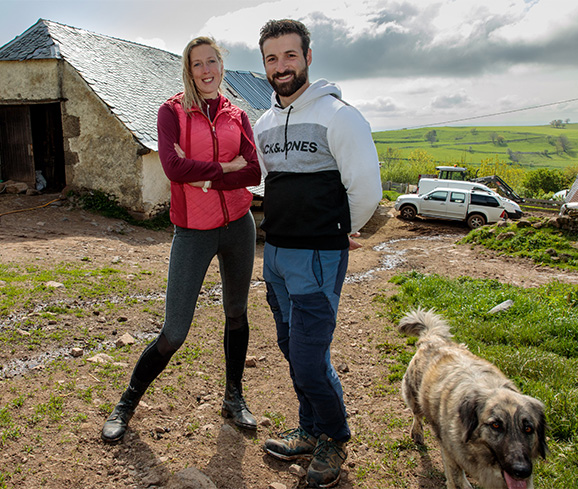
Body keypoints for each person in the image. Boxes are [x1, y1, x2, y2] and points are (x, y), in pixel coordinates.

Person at [101, 36, 261, 443]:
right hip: (193, 230)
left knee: (237, 314)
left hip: (240, 224)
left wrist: (206, 175)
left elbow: (254, 173)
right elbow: (172, 167)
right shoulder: (171, 111)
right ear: (188, 71)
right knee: (174, 331)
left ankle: (234, 397)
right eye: (197, 64)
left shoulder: (238, 115)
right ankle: (127, 402)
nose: (206, 71)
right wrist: (225, 166)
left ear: (222, 66)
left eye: (212, 62)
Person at [254, 19, 382, 488]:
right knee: (292, 348)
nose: (281, 66)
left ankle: (333, 436)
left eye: (290, 55)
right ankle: (309, 429)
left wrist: (341, 231)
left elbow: (366, 189)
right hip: (275, 256)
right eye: (272, 58)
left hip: (318, 258)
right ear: (264, 64)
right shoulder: (264, 122)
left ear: (308, 57)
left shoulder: (339, 115)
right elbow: (267, 184)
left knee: (309, 357)